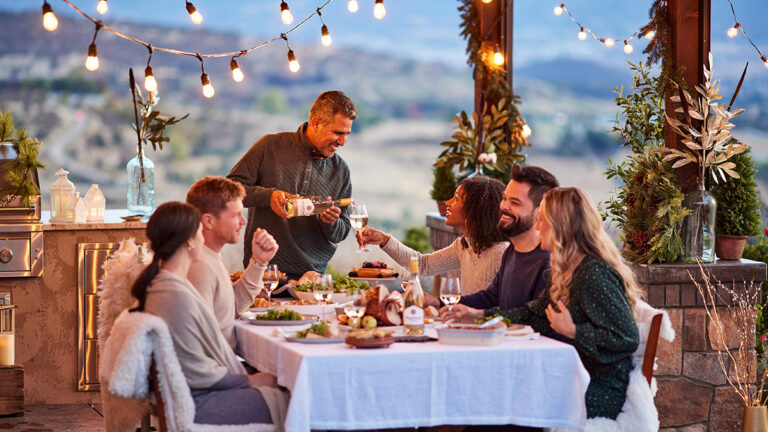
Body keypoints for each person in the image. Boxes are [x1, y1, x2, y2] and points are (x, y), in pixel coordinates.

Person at [466, 187, 641, 420]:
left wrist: (573, 331)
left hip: (596, 387)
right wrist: (477, 314)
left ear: (561, 225)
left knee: (504, 402)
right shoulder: (568, 269)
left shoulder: (593, 272)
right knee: (497, 396)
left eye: (542, 219)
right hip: (569, 375)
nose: (537, 226)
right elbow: (533, 315)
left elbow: (627, 338)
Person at [131, 202, 278, 425]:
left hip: (195, 394)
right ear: (190, 241)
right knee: (298, 400)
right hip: (198, 403)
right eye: (200, 232)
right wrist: (249, 381)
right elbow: (197, 371)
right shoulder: (176, 295)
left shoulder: (165, 284)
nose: (203, 238)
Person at [227, 90, 356, 281]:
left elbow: (341, 232)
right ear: (316, 123)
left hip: (311, 279)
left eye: (347, 134)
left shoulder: (341, 171)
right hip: (264, 273)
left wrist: (330, 222)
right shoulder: (270, 146)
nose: (343, 142)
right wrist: (268, 197)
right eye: (338, 133)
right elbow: (228, 191)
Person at [440, 164, 558, 321]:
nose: (503, 207)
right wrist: (438, 303)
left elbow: (537, 319)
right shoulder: (513, 251)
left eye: (515, 203)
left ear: (540, 212)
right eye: (504, 198)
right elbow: (491, 297)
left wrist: (480, 315)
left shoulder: (549, 262)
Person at [358, 175, 508, 295]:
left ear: (475, 210)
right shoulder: (463, 246)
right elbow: (423, 265)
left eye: (456, 199)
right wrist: (384, 240)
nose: (448, 203)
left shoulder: (501, 253)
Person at [186, 176, 278, 350]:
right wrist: (244, 378)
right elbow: (198, 342)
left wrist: (259, 262)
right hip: (218, 372)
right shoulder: (199, 267)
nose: (243, 221)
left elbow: (232, 306)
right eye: (236, 215)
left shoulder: (211, 255)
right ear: (208, 221)